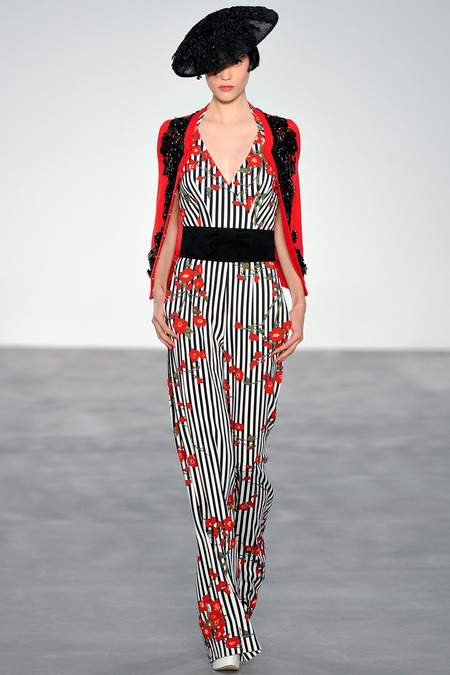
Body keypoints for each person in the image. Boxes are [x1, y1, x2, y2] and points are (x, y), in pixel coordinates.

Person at [147, 6, 308, 671]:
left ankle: (240, 584)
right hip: (193, 302)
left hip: (259, 303)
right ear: (203, 71)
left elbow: (286, 221)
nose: (224, 73)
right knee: (204, 464)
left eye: (234, 60)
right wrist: (157, 290)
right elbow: (170, 218)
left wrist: (299, 295)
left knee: (246, 460)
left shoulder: (281, 134)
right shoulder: (177, 135)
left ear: (250, 63)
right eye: (214, 63)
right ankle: (226, 629)